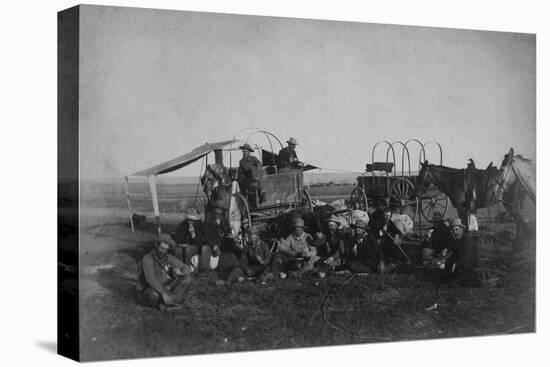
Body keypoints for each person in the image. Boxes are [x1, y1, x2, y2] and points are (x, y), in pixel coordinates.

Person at [137, 234, 193, 309]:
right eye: (162, 248)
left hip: (166, 287)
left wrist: (180, 271)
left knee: (187, 278)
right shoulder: (147, 258)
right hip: (150, 288)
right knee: (153, 295)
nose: (163, 251)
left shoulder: (167, 257)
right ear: (157, 246)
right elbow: (150, 279)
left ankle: (167, 302)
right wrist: (163, 293)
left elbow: (185, 267)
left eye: (166, 249)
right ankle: (172, 301)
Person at [172, 208, 217, 272]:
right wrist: (182, 242)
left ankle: (186, 268)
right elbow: (177, 238)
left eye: (192, 220)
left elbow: (199, 242)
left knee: (188, 249)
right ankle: (178, 269)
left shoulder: (200, 226)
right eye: (189, 219)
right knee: (177, 250)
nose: (190, 221)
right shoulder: (182, 225)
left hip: (196, 246)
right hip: (183, 245)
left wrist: (192, 234)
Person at [238, 143, 264, 208]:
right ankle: (251, 204)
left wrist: (257, 167)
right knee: (250, 186)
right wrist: (243, 177)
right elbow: (241, 173)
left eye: (246, 151)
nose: (245, 153)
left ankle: (261, 196)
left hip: (256, 178)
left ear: (249, 152)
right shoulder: (241, 162)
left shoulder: (253, 159)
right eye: (243, 151)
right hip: (247, 179)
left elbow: (259, 165)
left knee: (259, 182)